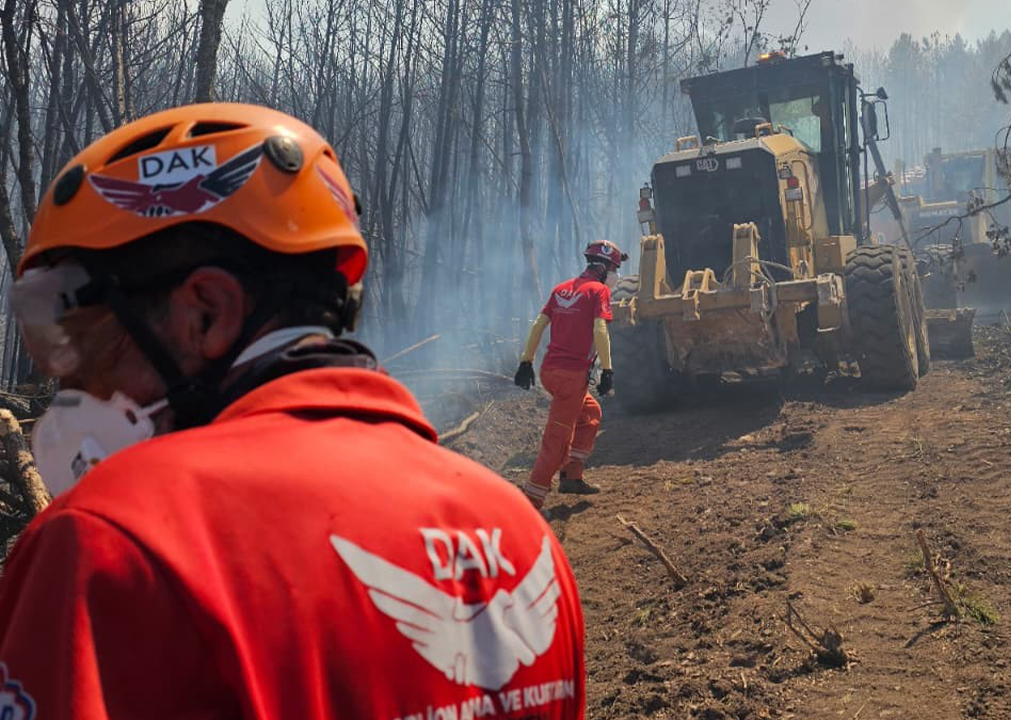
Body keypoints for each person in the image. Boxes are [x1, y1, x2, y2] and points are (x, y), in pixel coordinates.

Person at [0, 103, 585, 720]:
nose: (76, 381)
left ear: (208, 313)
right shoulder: (521, 540)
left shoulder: (112, 546)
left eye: (94, 340)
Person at [514, 240, 626, 509]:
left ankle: (571, 477)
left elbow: (539, 325)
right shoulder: (599, 291)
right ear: (603, 268)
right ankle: (532, 501)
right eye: (615, 268)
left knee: (590, 414)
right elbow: (600, 330)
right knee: (557, 442)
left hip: (548, 372)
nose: (616, 274)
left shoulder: (561, 289)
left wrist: (526, 362)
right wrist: (608, 370)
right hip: (571, 378)